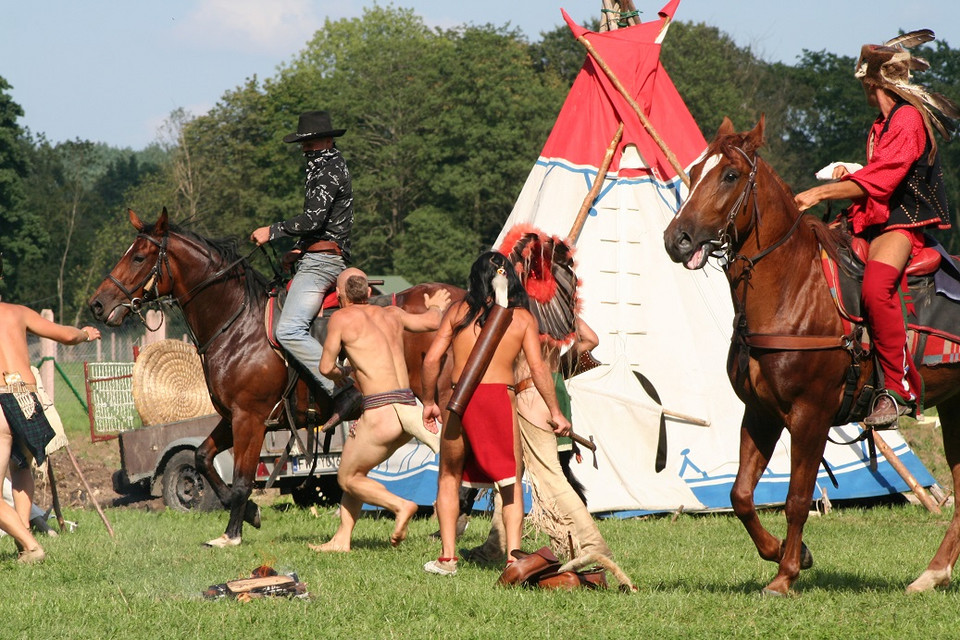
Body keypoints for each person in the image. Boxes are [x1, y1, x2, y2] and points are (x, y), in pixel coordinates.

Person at [794, 32, 959, 427]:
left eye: (864, 84)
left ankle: (897, 390)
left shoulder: (906, 119)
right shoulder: (880, 126)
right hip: (874, 218)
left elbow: (883, 181)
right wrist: (850, 172)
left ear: (873, 83)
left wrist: (820, 191)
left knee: (876, 286)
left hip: (901, 225)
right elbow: (877, 173)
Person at [420, 252, 572, 576]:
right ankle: (513, 559)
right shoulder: (521, 319)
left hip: (459, 399)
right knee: (510, 482)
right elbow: (538, 369)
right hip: (498, 400)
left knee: (448, 475)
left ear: (475, 279)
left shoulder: (457, 312)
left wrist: (429, 401)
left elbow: (432, 360)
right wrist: (556, 412)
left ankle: (447, 558)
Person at [309, 268, 451, 552]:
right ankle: (342, 538)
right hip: (409, 408)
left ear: (340, 296)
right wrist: (436, 305)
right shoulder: (392, 313)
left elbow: (325, 367)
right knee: (358, 471)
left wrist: (342, 373)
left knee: (347, 478)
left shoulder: (340, 317)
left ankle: (401, 506)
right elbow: (433, 320)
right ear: (370, 293)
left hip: (380, 411)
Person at [461, 317, 612, 564]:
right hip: (552, 387)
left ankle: (590, 545)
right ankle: (496, 547)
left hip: (530, 391)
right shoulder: (554, 306)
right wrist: (558, 368)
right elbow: (590, 339)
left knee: (551, 476)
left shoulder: (519, 313)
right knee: (511, 476)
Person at [250, 110, 359, 427]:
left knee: (288, 329)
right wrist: (299, 248)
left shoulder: (327, 173)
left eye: (310, 144)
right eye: (303, 145)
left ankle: (341, 388)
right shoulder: (329, 165)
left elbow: (312, 219)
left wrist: (272, 231)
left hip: (323, 262)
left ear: (327, 140)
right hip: (317, 254)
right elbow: (322, 225)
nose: (305, 150)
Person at [0, 300, 101, 562]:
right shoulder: (18, 312)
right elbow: (67, 335)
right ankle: (24, 547)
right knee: (21, 470)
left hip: (1, 401)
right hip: (27, 399)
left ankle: (31, 545)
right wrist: (86, 333)